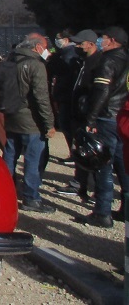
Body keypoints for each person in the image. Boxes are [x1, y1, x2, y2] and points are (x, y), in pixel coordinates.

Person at [77, 26, 129, 228]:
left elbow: (101, 90)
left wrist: (90, 119)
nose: (100, 40)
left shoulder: (108, 60)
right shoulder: (126, 58)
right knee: (123, 164)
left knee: (102, 165)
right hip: (121, 115)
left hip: (107, 115)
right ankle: (125, 208)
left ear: (113, 40)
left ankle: (102, 212)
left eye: (103, 38)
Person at [0, 34, 56, 213]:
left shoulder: (10, 61)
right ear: (38, 47)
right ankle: (31, 197)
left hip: (11, 115)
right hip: (31, 120)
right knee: (33, 159)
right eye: (45, 47)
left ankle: (4, 190)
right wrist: (49, 123)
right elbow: (41, 97)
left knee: (10, 155)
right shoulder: (35, 65)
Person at [55, 29, 103, 202]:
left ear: (90, 44)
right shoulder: (82, 61)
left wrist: (91, 116)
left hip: (88, 115)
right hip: (78, 113)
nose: (78, 46)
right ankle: (80, 183)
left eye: (81, 43)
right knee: (80, 150)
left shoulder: (98, 63)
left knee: (93, 154)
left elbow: (98, 92)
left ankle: (97, 189)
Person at [46, 29, 82, 163]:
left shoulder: (69, 54)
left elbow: (62, 72)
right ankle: (73, 152)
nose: (57, 41)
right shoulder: (63, 54)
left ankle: (75, 152)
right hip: (64, 95)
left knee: (67, 125)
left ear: (66, 40)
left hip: (66, 95)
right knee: (65, 124)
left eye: (59, 38)